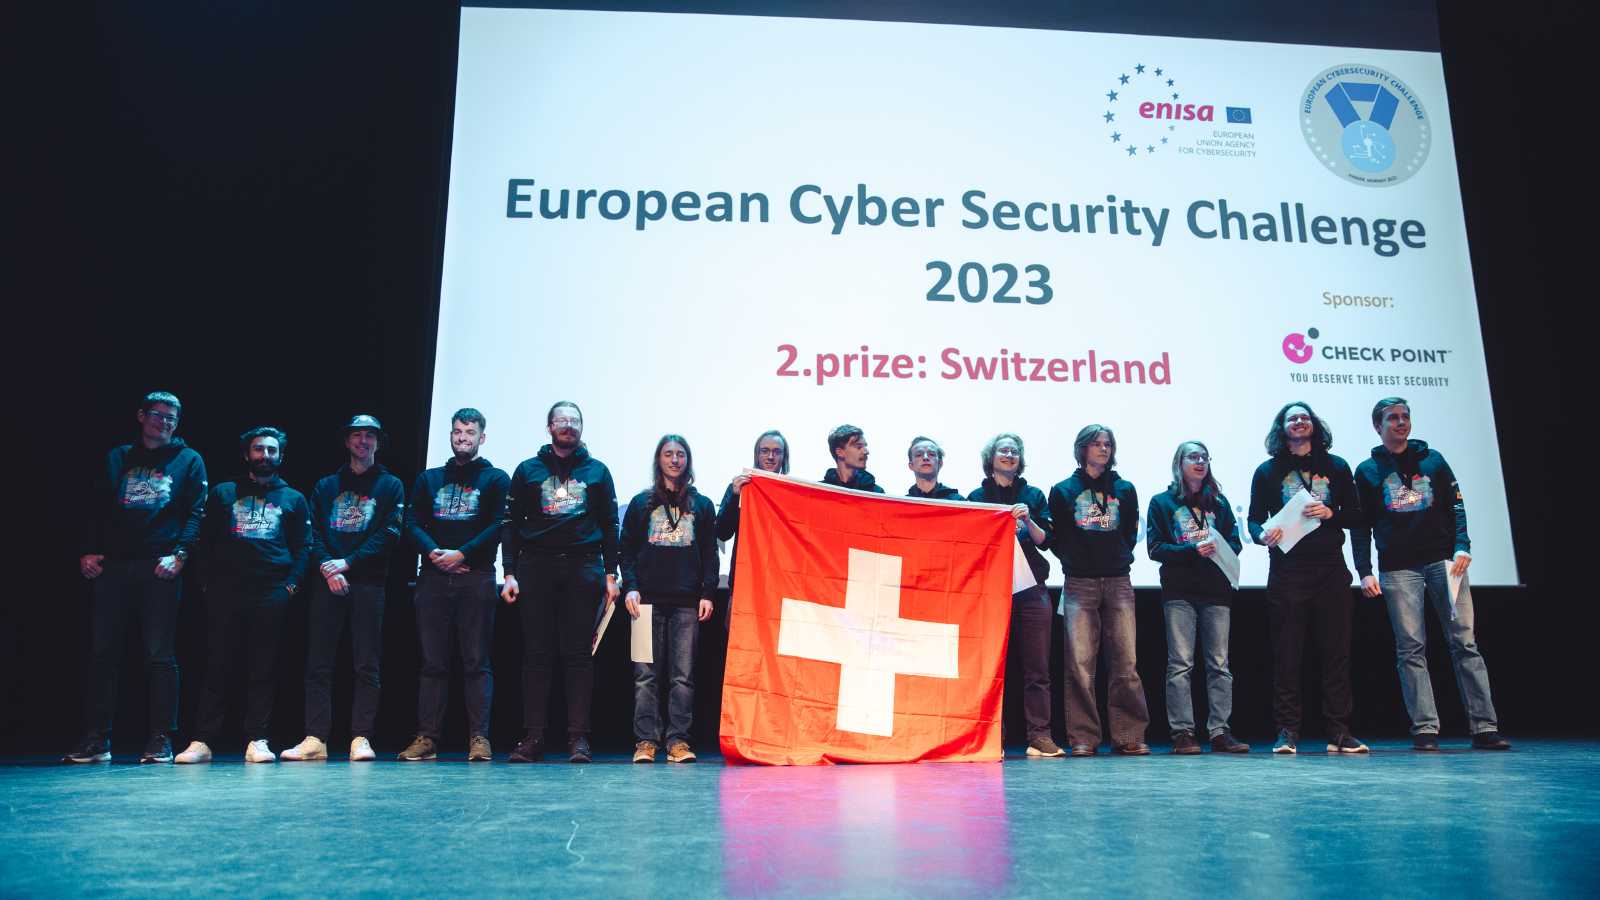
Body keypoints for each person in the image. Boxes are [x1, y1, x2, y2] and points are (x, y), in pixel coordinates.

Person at [1353, 398, 1510, 751]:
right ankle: (1425, 729)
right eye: (1392, 418)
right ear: (1378, 426)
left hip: (1444, 563)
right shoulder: (1367, 470)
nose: (1401, 422)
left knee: (1464, 643)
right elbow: (1361, 526)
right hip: (1397, 568)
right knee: (1411, 649)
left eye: (1405, 416)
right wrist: (1364, 570)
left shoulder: (1433, 460)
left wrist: (1462, 545)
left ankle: (1484, 727)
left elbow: (1456, 506)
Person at [66, 391, 208, 765]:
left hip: (159, 566)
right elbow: (96, 506)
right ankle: (97, 739)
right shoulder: (118, 456)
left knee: (159, 655)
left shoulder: (188, 460)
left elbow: (197, 512)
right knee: (102, 653)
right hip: (113, 566)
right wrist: (88, 550)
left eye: (172, 418)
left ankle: (160, 738)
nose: (165, 423)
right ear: (142, 416)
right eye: (159, 415)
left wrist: (181, 554)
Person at [176, 426, 310, 764]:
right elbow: (203, 540)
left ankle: (257, 739)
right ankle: (202, 741)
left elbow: (303, 547)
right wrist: (206, 583)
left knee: (263, 669)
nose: (265, 455)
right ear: (246, 454)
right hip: (226, 592)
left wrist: (290, 587)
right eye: (258, 449)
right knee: (217, 665)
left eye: (271, 450)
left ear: (281, 456)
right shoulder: (223, 493)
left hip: (272, 593)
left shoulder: (294, 498)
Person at [500, 401, 620, 764]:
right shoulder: (528, 470)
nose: (569, 425)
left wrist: (610, 574)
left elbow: (610, 524)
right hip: (535, 567)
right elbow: (510, 524)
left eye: (574, 420)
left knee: (579, 655)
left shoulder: (598, 471)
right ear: (549, 427)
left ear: (582, 428)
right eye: (562, 420)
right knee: (536, 654)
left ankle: (577, 738)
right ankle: (533, 737)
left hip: (584, 568)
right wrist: (509, 572)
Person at [281, 415, 405, 762]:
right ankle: (315, 738)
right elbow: (313, 532)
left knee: (367, 663)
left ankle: (361, 737)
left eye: (370, 436)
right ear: (347, 441)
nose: (363, 441)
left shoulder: (391, 485)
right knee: (318, 663)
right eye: (357, 435)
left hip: (369, 583)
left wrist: (347, 563)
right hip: (327, 582)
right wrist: (327, 566)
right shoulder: (326, 485)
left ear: (378, 442)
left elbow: (389, 534)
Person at [1247, 402, 1367, 755]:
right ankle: (1287, 731)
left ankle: (1340, 731)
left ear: (1313, 424)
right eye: (1292, 418)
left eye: (1304, 417)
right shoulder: (1267, 471)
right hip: (1288, 572)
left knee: (1336, 653)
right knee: (1287, 654)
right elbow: (1253, 519)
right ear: (1282, 428)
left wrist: (1331, 512)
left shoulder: (1337, 466)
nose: (1299, 422)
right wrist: (1262, 534)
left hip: (1330, 569)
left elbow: (1357, 515)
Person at [397, 408, 510, 762]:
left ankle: (479, 738)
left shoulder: (496, 478)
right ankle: (427, 738)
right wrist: (434, 553)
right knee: (433, 663)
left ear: (482, 438)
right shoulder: (429, 479)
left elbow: (499, 524)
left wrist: (463, 553)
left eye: (470, 432)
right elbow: (411, 522)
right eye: (458, 432)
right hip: (432, 578)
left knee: (476, 662)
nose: (463, 438)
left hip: (476, 578)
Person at [1048, 425, 1149, 756]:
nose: (1103, 449)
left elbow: (1130, 531)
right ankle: (1083, 738)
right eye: (1096, 444)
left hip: (1118, 580)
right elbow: (1059, 539)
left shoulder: (1125, 488)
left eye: (1108, 444)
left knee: (1126, 662)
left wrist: (1116, 557)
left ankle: (1128, 735)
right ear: (1082, 449)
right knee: (1079, 664)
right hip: (1079, 583)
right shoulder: (1063, 490)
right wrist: (1077, 560)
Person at [1146, 441, 1249, 754]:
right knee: (1181, 664)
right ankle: (1183, 732)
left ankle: (1220, 731)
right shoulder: (1162, 502)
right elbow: (1155, 549)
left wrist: (1220, 547)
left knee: (1219, 664)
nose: (1200, 462)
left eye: (1204, 457)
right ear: (1180, 463)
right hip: (1179, 592)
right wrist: (1192, 550)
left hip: (1216, 592)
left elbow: (1235, 542)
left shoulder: (1219, 502)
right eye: (1193, 457)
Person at [621, 435, 718, 764]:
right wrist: (630, 586)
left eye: (680, 454)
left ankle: (678, 741)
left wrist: (707, 593)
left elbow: (710, 553)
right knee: (645, 677)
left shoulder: (702, 505)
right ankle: (646, 741)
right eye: (668, 454)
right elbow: (626, 550)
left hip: (686, 604)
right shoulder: (641, 503)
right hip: (644, 603)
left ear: (687, 461)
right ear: (658, 460)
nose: (674, 460)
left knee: (682, 677)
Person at [968, 434, 1057, 757]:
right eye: (1003, 450)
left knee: (1038, 667)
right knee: (992, 667)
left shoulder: (1033, 495)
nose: (1009, 454)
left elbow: (1046, 540)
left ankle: (1040, 737)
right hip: (992, 589)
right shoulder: (976, 497)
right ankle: (994, 738)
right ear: (991, 458)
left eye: (1014, 451)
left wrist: (1028, 519)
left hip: (1031, 589)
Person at [716, 430, 788, 624]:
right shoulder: (740, 487)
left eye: (777, 451)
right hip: (743, 583)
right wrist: (735, 496)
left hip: (780, 586)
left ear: (784, 456)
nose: (770, 456)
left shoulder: (792, 492)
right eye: (765, 451)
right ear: (757, 454)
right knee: (737, 640)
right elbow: (722, 533)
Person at [821, 424, 884, 493]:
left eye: (865, 446)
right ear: (840, 452)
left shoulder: (876, 493)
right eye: (859, 447)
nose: (866, 452)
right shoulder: (820, 491)